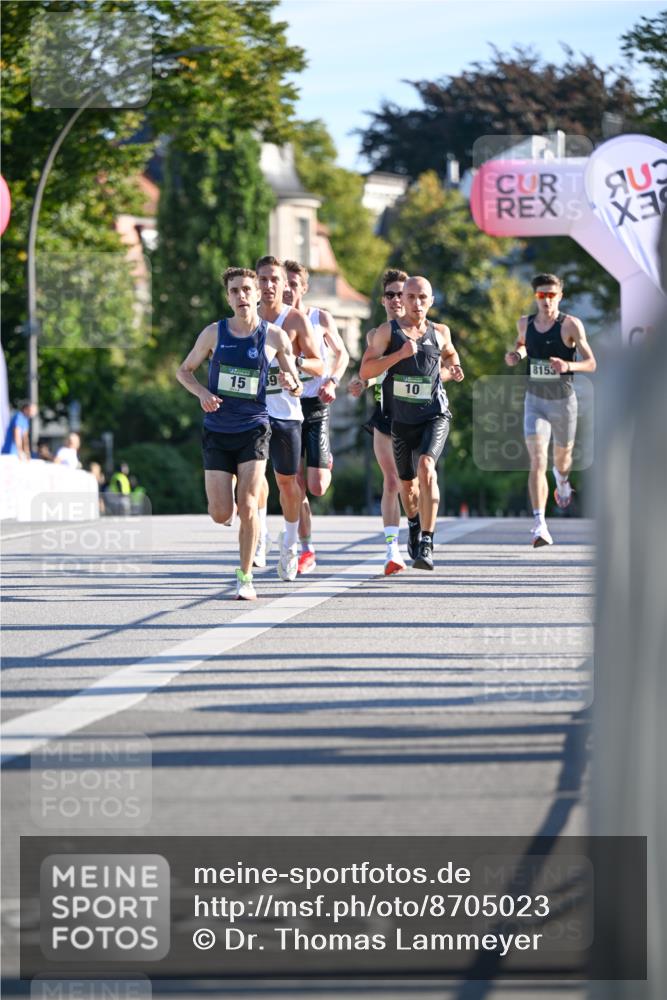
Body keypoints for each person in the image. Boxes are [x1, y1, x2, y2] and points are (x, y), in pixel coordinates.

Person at [176, 266, 302, 600]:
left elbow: (294, 378)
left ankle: (245, 577)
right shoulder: (214, 333)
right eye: (235, 290)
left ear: (258, 293)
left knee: (248, 506)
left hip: (254, 428)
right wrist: (202, 393)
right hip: (218, 429)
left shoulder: (274, 336)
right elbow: (184, 371)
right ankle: (229, 494)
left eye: (247, 289)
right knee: (221, 514)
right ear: (228, 296)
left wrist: (292, 382)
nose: (242, 296)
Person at [360, 275, 464, 571]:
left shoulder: (440, 331)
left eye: (423, 298)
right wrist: (398, 355)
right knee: (407, 487)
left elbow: (451, 355)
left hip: (434, 414)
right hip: (401, 420)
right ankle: (415, 523)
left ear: (431, 301)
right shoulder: (387, 333)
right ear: (401, 300)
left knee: (427, 468)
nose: (417, 303)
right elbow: (366, 371)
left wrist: (453, 368)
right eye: (411, 297)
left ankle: (428, 542)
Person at [505, 272, 596, 547]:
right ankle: (539, 525)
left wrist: (568, 366)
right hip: (535, 401)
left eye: (551, 295)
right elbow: (523, 346)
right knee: (537, 461)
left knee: (562, 459)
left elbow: (591, 363)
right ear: (536, 297)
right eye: (541, 295)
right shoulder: (525, 323)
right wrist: (516, 355)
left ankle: (563, 479)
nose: (546, 301)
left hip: (563, 402)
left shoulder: (571, 325)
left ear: (560, 297)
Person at [256, 255, 324, 582]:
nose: (268, 286)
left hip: (287, 413)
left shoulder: (295, 320)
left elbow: (319, 364)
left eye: (274, 280)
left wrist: (295, 364)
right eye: (263, 279)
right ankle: (257, 534)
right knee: (250, 477)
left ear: (285, 286)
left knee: (288, 483)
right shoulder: (243, 320)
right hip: (252, 413)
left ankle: (291, 541)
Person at [283, 259, 350, 574]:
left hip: (317, 404)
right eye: (284, 284)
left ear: (304, 288)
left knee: (318, 485)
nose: (288, 289)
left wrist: (333, 380)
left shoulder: (319, 317)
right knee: (295, 484)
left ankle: (324, 460)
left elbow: (342, 353)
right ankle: (306, 547)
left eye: (294, 284)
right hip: (288, 406)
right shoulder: (275, 321)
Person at [348, 268, 412, 574]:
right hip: (385, 415)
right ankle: (392, 550)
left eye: (402, 294)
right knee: (391, 480)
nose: (397, 300)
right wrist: (362, 384)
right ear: (383, 300)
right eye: (391, 294)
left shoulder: (423, 332)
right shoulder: (375, 335)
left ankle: (418, 530)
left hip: (417, 416)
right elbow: (373, 372)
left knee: (413, 484)